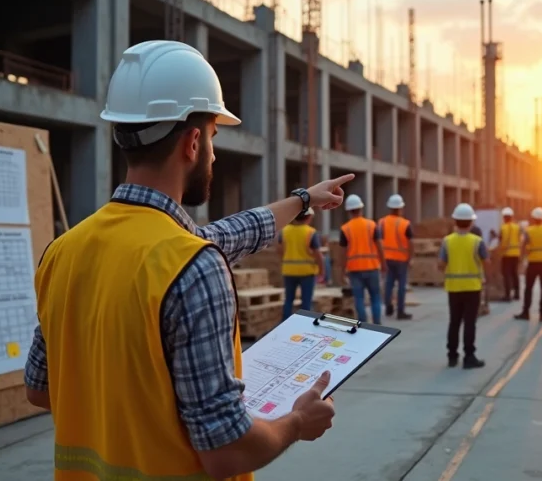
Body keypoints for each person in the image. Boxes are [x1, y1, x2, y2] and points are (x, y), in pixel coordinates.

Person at [25, 40, 348, 480]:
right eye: (214, 137)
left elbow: (39, 389)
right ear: (193, 142)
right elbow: (227, 450)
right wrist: (296, 422)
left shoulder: (63, 251)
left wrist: (303, 200)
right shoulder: (192, 266)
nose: (214, 153)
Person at [438, 203, 489, 369]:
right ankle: (469, 356)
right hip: (473, 288)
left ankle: (452, 356)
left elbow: (440, 265)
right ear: (471, 222)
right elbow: (487, 262)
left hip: (453, 288)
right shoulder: (477, 242)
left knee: (454, 322)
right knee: (469, 323)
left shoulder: (447, 241)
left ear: (455, 221)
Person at [340, 194, 386, 324]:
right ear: (361, 208)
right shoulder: (372, 225)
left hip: (354, 270)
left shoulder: (345, 229)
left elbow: (343, 253)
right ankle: (377, 323)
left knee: (359, 298)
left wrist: (342, 270)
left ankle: (363, 324)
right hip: (372, 267)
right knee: (375, 297)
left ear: (348, 211)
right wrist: (384, 264)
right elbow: (380, 246)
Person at [279, 207, 324, 320]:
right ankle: (304, 326)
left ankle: (285, 324)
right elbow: (318, 255)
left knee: (288, 300)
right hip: (306, 272)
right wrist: (322, 271)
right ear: (308, 217)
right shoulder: (310, 232)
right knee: (306, 302)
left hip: (289, 271)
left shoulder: (285, 231)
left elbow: (279, 250)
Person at [379, 194, 414, 320]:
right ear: (400, 208)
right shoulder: (405, 224)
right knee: (401, 286)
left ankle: (388, 306)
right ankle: (400, 311)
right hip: (401, 259)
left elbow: (379, 240)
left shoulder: (382, 222)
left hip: (387, 258)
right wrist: (410, 258)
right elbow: (410, 243)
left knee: (388, 283)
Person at [516, 207, 542, 322]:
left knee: (529, 288)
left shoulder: (528, 230)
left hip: (533, 262)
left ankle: (526, 312)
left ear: (533, 218)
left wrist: (521, 259)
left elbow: (523, 245)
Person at [498, 207, 522, 301]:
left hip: (506, 254)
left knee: (506, 275)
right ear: (512, 217)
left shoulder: (503, 228)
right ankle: (517, 294)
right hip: (516, 253)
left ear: (504, 217)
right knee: (515, 274)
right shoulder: (517, 227)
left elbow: (501, 239)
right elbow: (520, 239)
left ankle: (507, 295)